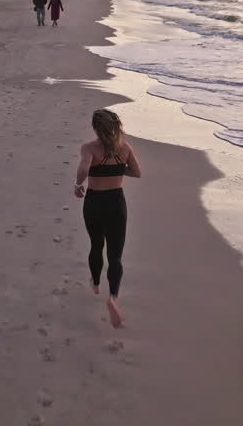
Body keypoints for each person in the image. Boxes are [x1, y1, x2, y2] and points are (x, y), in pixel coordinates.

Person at [75, 109, 142, 328]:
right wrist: (118, 171)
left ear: (95, 128)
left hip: (95, 203)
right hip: (116, 203)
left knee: (96, 245)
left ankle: (95, 284)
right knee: (116, 256)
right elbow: (137, 172)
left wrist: (78, 185)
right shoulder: (124, 148)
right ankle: (113, 297)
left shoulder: (89, 148)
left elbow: (84, 168)